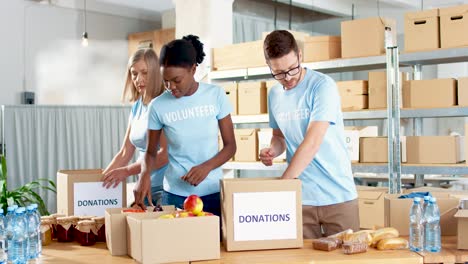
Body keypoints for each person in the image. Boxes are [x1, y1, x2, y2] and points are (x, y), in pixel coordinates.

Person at [259, 30, 359, 238]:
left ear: (300, 56)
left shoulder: (322, 86)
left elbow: (312, 141)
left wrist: (282, 185)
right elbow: (279, 137)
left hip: (337, 195)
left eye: (292, 69)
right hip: (300, 197)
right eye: (278, 73)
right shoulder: (274, 95)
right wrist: (272, 150)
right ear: (269, 66)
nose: (288, 78)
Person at [134, 35, 236, 216]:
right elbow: (150, 152)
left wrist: (206, 167)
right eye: (166, 81)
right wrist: (144, 175)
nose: (170, 86)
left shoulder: (216, 95)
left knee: (214, 244)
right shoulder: (157, 106)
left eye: (176, 80)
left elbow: (230, 146)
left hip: (212, 194)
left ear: (193, 69)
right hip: (174, 196)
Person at [102, 48, 169, 206]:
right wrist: (102, 180)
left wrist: (126, 171)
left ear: (155, 72)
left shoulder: (164, 103)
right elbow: (125, 152)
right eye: (134, 73)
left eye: (145, 73)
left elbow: (164, 155)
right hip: (144, 186)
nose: (139, 79)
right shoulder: (137, 107)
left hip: (164, 188)